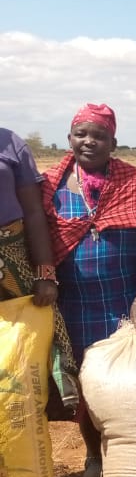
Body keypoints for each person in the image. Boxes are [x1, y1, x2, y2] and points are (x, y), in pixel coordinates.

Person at [41, 104, 136, 477]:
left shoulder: (133, 182)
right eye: (81, 133)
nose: (89, 141)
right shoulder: (51, 186)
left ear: (113, 142)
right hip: (74, 306)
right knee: (87, 386)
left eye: (99, 135)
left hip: (124, 302)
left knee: (129, 383)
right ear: (69, 140)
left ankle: (132, 458)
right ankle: (94, 456)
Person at [0, 128, 79, 419]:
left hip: (12, 258)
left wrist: (45, 272)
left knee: (32, 342)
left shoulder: (10, 144)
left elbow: (34, 211)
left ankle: (34, 418)